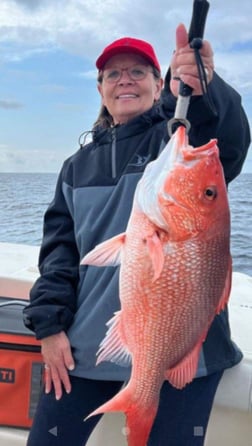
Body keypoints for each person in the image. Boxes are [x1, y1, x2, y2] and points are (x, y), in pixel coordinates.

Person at [23, 23, 250, 446]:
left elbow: (225, 140)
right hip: (87, 352)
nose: (125, 80)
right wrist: (49, 327)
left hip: (184, 357)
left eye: (138, 72)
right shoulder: (75, 167)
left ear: (159, 83)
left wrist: (204, 88)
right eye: (114, 74)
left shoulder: (173, 136)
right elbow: (59, 256)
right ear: (100, 89)